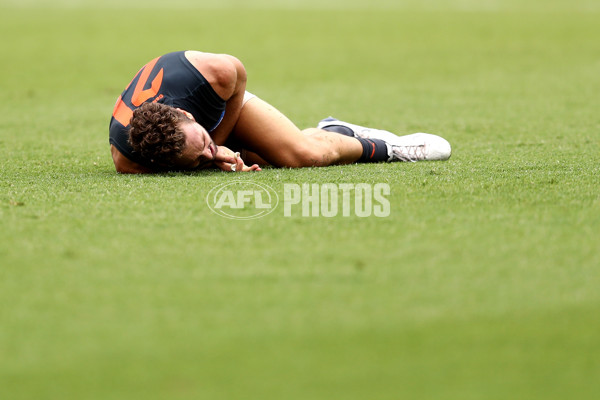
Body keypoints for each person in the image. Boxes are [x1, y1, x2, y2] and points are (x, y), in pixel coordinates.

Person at [109, 50, 451, 174]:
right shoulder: (131, 160)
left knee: (303, 155)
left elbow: (238, 74)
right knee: (265, 159)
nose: (204, 153)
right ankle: (334, 129)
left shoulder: (215, 73)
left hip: (227, 100)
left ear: (187, 115)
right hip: (187, 132)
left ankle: (390, 148)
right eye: (194, 160)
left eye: (202, 145)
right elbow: (191, 152)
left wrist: (218, 148)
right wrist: (211, 158)